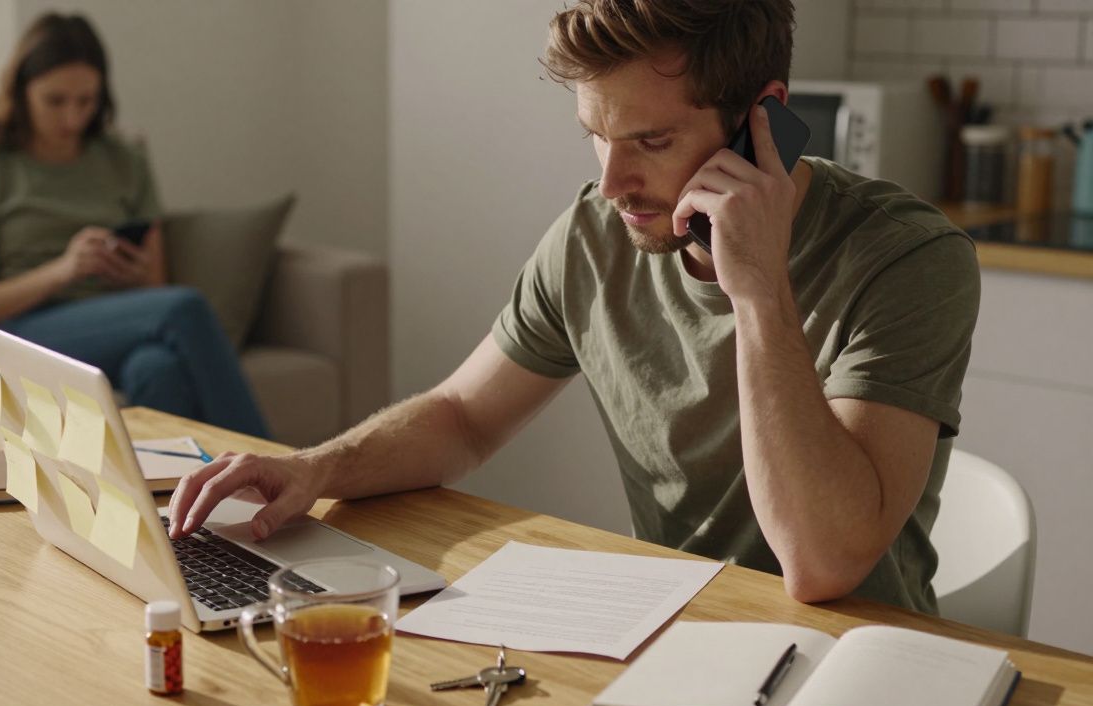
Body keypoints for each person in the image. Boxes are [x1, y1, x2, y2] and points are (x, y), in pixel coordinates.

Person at [168, 0, 980, 613]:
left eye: (652, 143)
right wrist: (317, 467)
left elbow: (824, 563)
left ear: (762, 115)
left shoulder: (908, 258)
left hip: (852, 667)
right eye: (597, 134)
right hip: (677, 631)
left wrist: (760, 290)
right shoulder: (594, 236)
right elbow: (462, 416)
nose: (611, 183)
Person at [0, 13, 267, 438]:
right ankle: (275, 470)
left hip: (117, 320)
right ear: (20, 92)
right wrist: (65, 269)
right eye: (55, 101)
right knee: (185, 308)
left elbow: (156, 284)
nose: (72, 117)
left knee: (157, 368)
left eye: (86, 101)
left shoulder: (124, 160)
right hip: (22, 330)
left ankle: (173, 501)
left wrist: (132, 274)